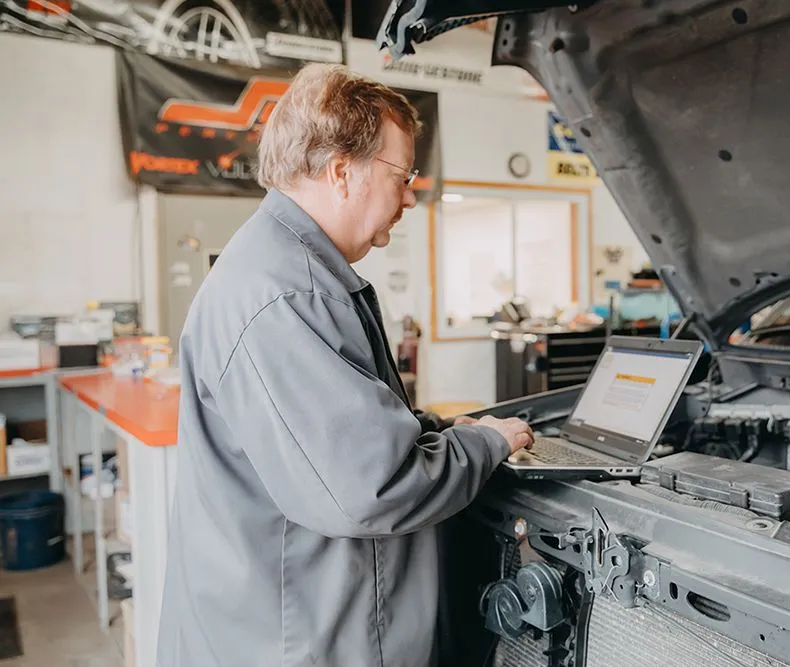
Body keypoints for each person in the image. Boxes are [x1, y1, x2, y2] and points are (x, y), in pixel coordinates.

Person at [156, 64, 534, 667]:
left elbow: (339, 434)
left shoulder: (283, 272)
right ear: (340, 171)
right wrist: (485, 446)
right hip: (299, 638)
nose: (411, 195)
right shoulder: (287, 295)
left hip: (280, 620)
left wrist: (435, 432)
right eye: (403, 175)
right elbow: (373, 488)